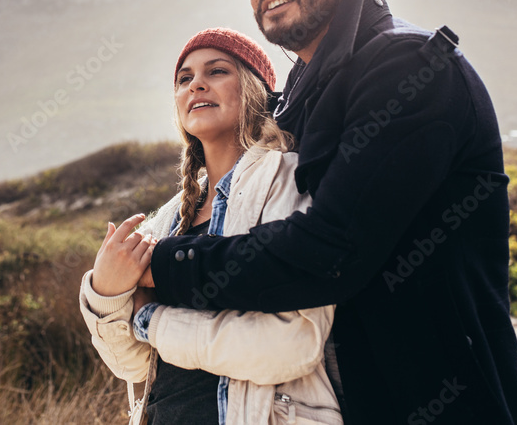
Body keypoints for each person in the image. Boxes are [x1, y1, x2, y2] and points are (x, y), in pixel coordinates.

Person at [140, 0, 517, 425]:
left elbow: (332, 250)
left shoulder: (407, 68)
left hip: (444, 397)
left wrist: (163, 265)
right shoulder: (306, 97)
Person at [79, 28, 343, 424]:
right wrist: (105, 293)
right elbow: (132, 366)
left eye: (216, 71)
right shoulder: (171, 217)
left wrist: (150, 319)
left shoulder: (288, 180)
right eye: (184, 79)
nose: (196, 84)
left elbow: (289, 346)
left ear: (253, 90)